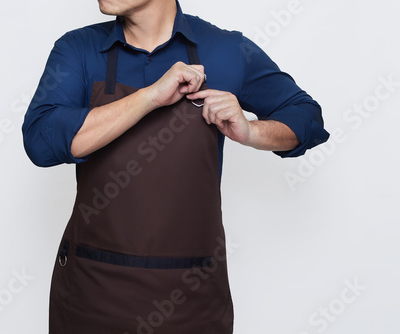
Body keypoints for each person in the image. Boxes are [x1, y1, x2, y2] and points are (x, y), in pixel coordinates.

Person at [22, 0, 330, 333]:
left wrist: (252, 131)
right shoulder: (78, 49)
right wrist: (150, 96)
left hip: (190, 299)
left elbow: (306, 118)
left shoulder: (224, 50)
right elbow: (41, 142)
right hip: (92, 293)